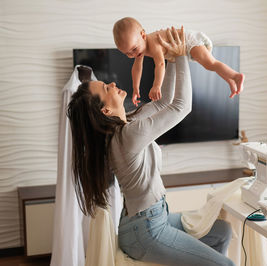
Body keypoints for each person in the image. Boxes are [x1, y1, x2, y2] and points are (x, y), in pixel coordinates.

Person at [67, 27, 235, 266]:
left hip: (153, 219)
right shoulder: (128, 135)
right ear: (105, 110)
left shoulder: (130, 120)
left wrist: (172, 57)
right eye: (106, 89)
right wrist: (183, 53)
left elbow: (165, 101)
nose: (113, 84)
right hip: (145, 232)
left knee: (221, 231)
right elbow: (181, 107)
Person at [113, 17, 245, 106]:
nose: (133, 54)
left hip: (188, 41)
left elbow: (160, 64)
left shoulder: (152, 43)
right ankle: (230, 80)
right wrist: (135, 88)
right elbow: (137, 68)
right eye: (127, 53)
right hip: (185, 45)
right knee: (210, 66)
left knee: (211, 64)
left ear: (143, 35)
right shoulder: (140, 49)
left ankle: (236, 76)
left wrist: (157, 86)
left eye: (134, 49)